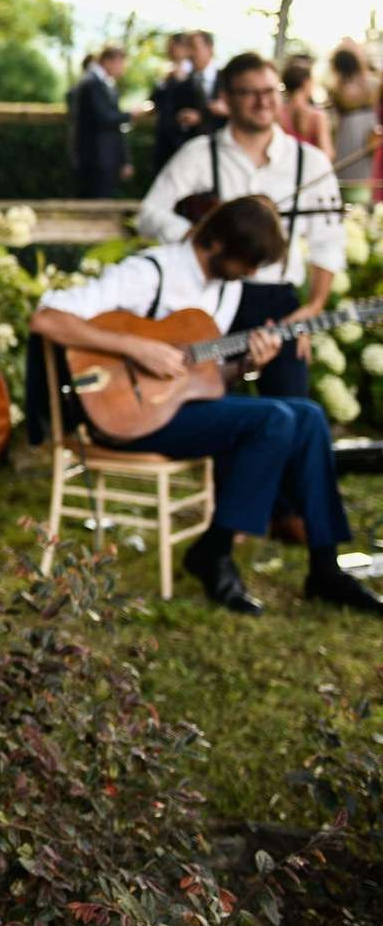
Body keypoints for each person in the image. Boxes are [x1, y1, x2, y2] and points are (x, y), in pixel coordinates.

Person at [30, 195, 382, 618]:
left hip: (177, 409)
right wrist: (136, 347)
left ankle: (325, 568)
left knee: (306, 416)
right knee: (275, 420)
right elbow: (47, 319)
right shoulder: (149, 272)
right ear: (215, 243)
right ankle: (215, 552)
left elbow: (204, 377)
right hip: (124, 414)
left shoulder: (226, 288)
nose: (252, 273)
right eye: (248, 262)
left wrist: (248, 365)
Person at [137, 51, 344, 401]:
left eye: (270, 90)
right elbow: (149, 214)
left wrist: (312, 309)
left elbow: (328, 240)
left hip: (277, 303)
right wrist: (198, 236)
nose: (263, 101)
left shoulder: (310, 162)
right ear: (227, 99)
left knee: (292, 407)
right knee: (205, 403)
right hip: (211, 297)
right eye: (249, 92)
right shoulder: (201, 153)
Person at [153, 29, 220, 173]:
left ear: (210, 49)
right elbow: (166, 119)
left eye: (194, 48)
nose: (189, 54)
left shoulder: (229, 81)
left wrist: (205, 116)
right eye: (188, 48)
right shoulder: (180, 83)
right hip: (188, 160)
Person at [69, 45, 132, 198]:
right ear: (110, 61)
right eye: (121, 64)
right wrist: (131, 115)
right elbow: (103, 118)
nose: (122, 69)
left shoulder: (101, 83)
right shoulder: (91, 83)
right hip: (96, 158)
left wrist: (124, 160)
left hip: (102, 157)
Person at [328, 44, 378, 198]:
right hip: (368, 125)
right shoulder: (371, 82)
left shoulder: (337, 86)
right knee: (365, 168)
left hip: (348, 129)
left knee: (349, 167)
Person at [279, 55, 332, 157]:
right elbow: (327, 153)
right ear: (306, 83)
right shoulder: (317, 116)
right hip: (310, 170)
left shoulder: (277, 113)